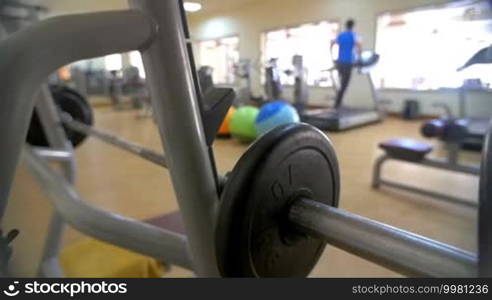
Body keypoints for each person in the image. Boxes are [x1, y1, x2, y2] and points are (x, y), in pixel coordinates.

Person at [331, 19, 362, 109]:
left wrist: (332, 57)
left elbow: (332, 44)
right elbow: (359, 46)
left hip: (340, 63)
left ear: (346, 26)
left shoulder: (341, 35)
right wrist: (359, 58)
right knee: (344, 85)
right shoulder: (354, 35)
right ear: (353, 26)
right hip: (348, 63)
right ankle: (337, 104)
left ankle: (338, 103)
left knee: (341, 84)